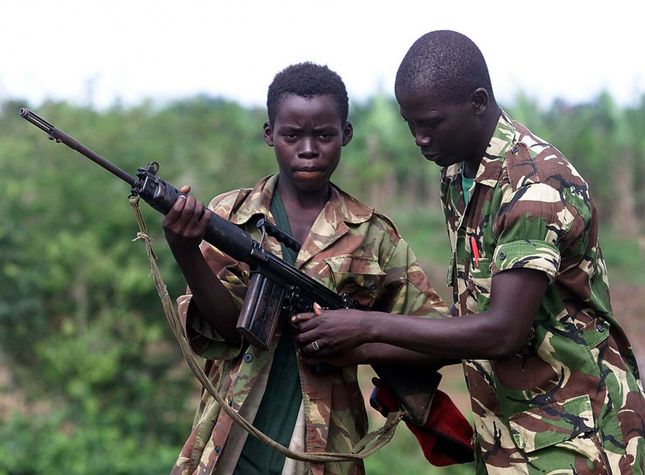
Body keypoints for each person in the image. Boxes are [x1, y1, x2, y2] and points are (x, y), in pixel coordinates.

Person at [293, 31, 645, 474]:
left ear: (478, 102)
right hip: (506, 435)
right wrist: (361, 347)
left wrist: (364, 325)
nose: (420, 138)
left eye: (432, 123)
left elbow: (501, 332)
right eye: (411, 124)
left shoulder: (534, 186)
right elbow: (469, 322)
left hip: (575, 440)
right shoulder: (460, 172)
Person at [162, 62, 447, 475]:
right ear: (269, 135)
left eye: (324, 135)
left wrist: (358, 337)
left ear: (345, 135)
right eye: (292, 135)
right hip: (230, 442)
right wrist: (185, 251)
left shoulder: (372, 235)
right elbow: (226, 330)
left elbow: (435, 333)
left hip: (322, 450)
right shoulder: (229, 216)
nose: (308, 149)